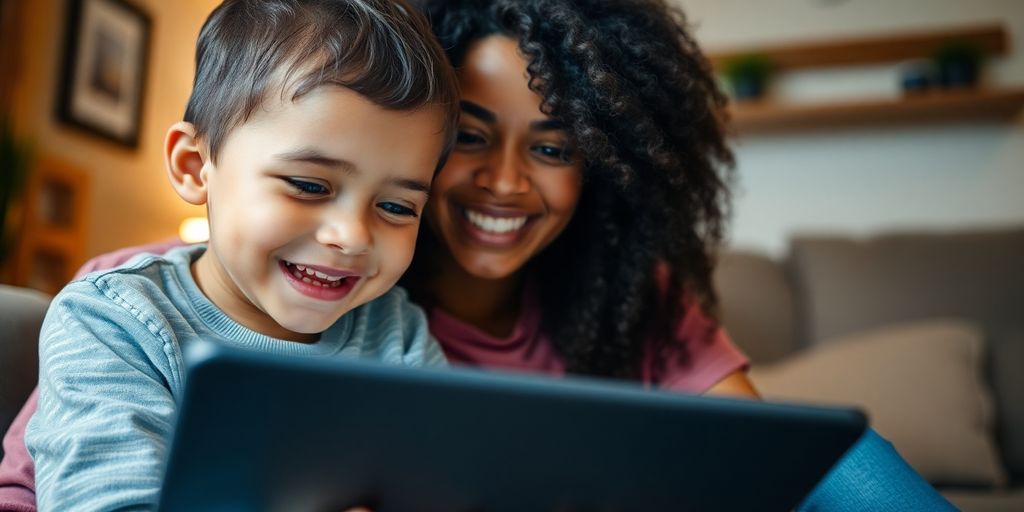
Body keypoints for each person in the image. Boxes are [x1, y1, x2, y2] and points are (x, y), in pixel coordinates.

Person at [0, 0, 957, 510]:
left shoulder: (394, 320)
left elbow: (777, 467)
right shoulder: (147, 305)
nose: (504, 182)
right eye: (470, 136)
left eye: (553, 147)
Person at [17, 0, 457, 509]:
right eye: (309, 185)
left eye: (396, 207)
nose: (353, 236)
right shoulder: (113, 323)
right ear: (194, 166)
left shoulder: (398, 335)